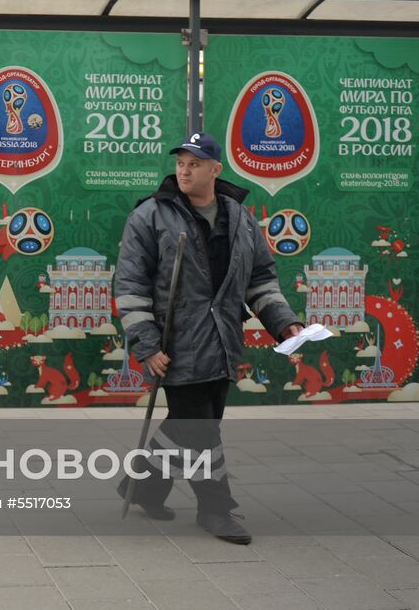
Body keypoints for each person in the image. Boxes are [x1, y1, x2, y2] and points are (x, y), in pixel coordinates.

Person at [114, 132, 303, 545]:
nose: (184, 169)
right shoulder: (149, 215)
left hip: (222, 341)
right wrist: (146, 345)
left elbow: (260, 279)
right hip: (175, 344)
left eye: (195, 163)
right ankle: (215, 509)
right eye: (181, 162)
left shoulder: (239, 217)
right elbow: (129, 286)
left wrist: (283, 322)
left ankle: (141, 486)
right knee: (202, 429)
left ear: (215, 170)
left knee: (192, 424)